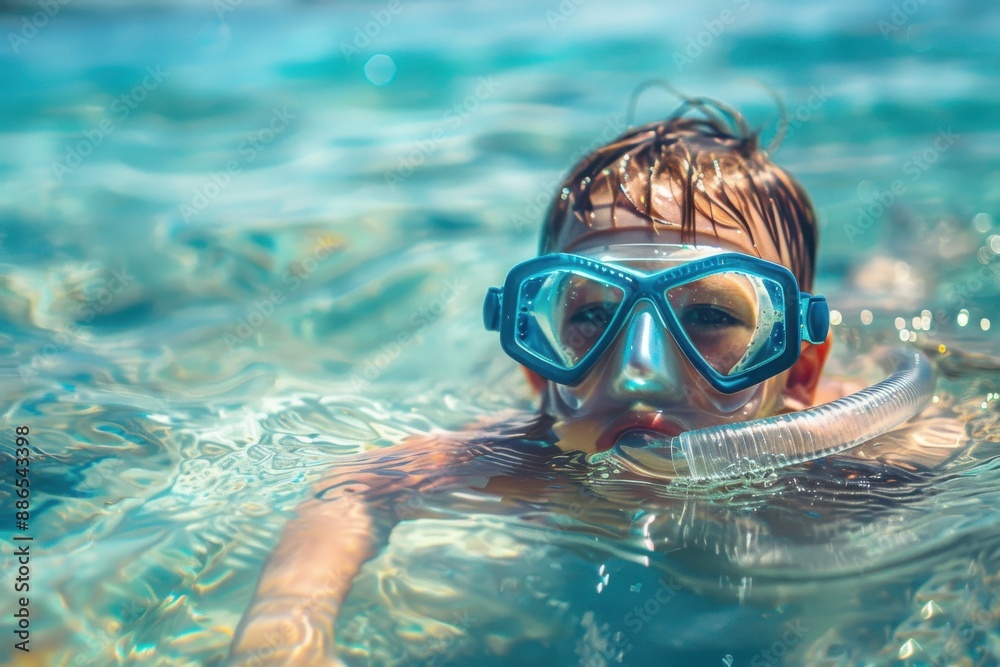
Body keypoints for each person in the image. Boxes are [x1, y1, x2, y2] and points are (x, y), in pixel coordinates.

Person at [226, 98, 966, 666]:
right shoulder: (530, 458)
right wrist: (288, 633)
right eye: (590, 316)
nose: (640, 368)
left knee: (889, 298)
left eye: (708, 312)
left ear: (797, 368)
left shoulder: (869, 462)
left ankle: (917, 250)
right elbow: (354, 489)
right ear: (535, 363)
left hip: (876, 352)